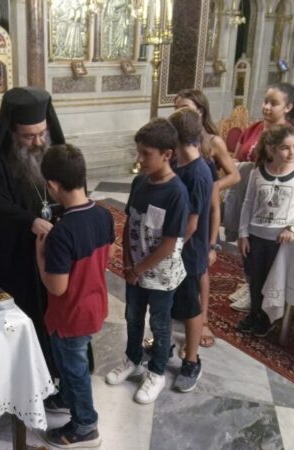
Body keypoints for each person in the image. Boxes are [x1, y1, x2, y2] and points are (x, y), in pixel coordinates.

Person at [0, 87, 65, 374]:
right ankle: (30, 372)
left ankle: (58, 369)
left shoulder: (54, 153)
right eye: (29, 136)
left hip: (54, 255)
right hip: (20, 260)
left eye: (42, 134)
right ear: (12, 132)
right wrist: (28, 221)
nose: (38, 142)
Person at [35, 144, 114, 448]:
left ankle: (85, 426)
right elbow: (108, 256)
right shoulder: (104, 214)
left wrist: (40, 255)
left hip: (70, 315)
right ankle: (67, 397)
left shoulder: (62, 232)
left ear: (52, 185)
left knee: (74, 369)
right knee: (73, 363)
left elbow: (56, 287)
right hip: (94, 304)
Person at [105, 119, 189, 404]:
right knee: (132, 316)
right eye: (138, 152)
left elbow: (168, 244)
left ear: (167, 155)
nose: (139, 159)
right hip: (135, 269)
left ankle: (157, 371)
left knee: (160, 323)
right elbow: (130, 223)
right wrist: (128, 264)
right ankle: (133, 359)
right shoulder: (140, 182)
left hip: (161, 274)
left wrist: (138, 269)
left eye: (146, 154)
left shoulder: (176, 192)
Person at [224, 82, 294, 312]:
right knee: (245, 245)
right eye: (265, 101)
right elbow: (236, 156)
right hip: (247, 191)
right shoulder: (253, 128)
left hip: (272, 202)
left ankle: (260, 293)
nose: (267, 107)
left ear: (288, 107)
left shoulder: (292, 136)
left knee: (263, 252)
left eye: (274, 103)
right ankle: (248, 283)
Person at [174, 89, 241, 348]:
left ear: (200, 111)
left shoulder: (212, 142)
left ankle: (202, 320)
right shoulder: (176, 139)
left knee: (199, 268)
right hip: (185, 202)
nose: (179, 112)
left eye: (184, 107)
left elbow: (234, 175)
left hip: (204, 205)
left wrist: (214, 186)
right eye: (176, 107)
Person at [238, 124, 294, 337]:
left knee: (273, 281)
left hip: (280, 240)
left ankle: (267, 318)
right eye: (285, 148)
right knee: (255, 279)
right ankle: (255, 313)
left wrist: (292, 227)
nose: (292, 153)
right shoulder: (257, 172)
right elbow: (248, 204)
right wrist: (243, 233)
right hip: (256, 235)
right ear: (272, 149)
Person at [168, 108, 213, 393]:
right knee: (170, 302)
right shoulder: (179, 164)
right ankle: (164, 346)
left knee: (189, 307)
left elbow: (192, 224)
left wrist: (170, 248)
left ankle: (192, 361)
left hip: (187, 251)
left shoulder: (198, 172)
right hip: (175, 249)